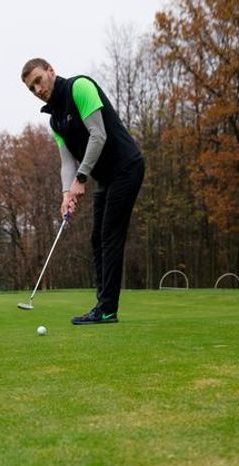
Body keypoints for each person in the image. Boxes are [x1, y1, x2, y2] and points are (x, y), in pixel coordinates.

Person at [21, 58, 144, 325]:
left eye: (39, 81)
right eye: (31, 88)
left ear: (51, 71)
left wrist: (81, 177)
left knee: (110, 236)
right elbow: (67, 162)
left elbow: (98, 135)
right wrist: (66, 193)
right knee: (96, 239)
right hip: (107, 177)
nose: (38, 90)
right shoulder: (55, 120)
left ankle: (107, 309)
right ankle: (102, 305)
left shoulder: (80, 88)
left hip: (127, 166)